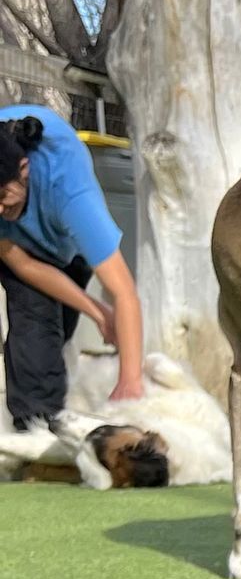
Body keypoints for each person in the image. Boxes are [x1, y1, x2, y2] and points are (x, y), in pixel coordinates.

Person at [0, 110, 144, 427]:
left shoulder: (69, 190)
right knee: (36, 328)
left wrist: (130, 381)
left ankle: (52, 409)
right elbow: (24, 265)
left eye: (2, 195)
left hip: (65, 240)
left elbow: (124, 292)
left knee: (59, 331)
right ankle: (36, 429)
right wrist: (98, 312)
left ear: (23, 169)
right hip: (19, 248)